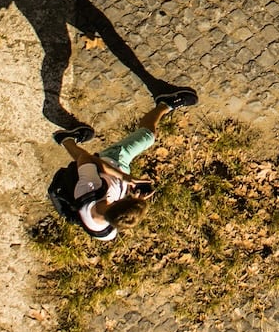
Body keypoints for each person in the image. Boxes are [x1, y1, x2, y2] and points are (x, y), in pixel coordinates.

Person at [51, 89, 197, 240]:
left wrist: (124, 177)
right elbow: (120, 212)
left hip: (114, 159)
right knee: (144, 139)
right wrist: (135, 201)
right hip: (115, 175)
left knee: (147, 136)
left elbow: (84, 158)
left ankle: (165, 102)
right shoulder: (106, 233)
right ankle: (65, 139)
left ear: (118, 202)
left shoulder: (90, 190)